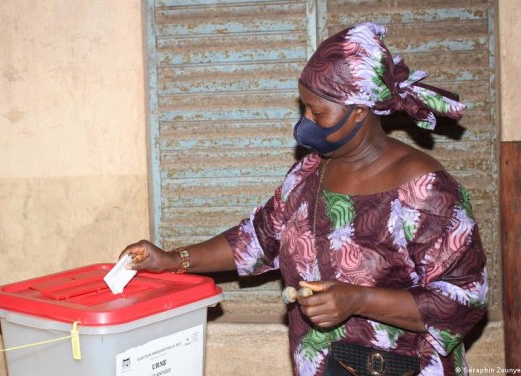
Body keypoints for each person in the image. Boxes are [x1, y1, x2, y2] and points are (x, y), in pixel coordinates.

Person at [121, 22, 488, 375]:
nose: (306, 121)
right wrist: (173, 259)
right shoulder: (310, 172)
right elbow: (258, 239)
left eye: (318, 112)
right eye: (304, 108)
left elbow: (464, 300)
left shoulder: (426, 189)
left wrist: (358, 300)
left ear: (359, 111)